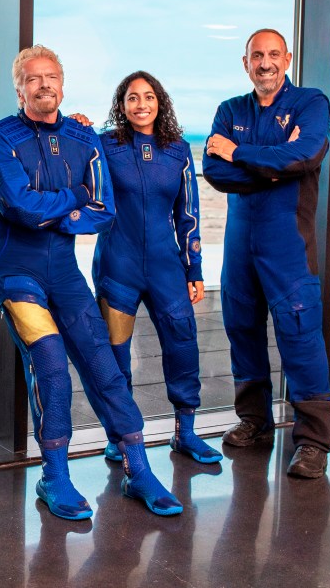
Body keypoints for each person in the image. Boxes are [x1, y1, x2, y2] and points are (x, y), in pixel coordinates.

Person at [0, 45, 182, 519]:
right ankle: (54, 476)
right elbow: (19, 206)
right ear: (20, 88)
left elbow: (104, 208)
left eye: (51, 76)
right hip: (16, 275)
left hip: (65, 275)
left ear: (62, 83)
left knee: (105, 367)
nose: (44, 84)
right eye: (33, 78)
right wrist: (72, 198)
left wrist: (54, 211)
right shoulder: (0, 138)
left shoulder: (83, 137)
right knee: (51, 366)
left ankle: (139, 469)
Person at [203, 28, 330, 478]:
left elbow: (305, 155)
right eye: (257, 55)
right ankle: (255, 421)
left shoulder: (310, 103)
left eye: (273, 54)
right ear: (245, 63)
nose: (265, 62)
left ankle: (314, 441)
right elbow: (215, 172)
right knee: (241, 327)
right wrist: (274, 165)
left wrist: (239, 151)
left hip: (288, 245)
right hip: (241, 245)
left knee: (299, 333)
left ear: (288, 58)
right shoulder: (230, 109)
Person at [93, 71, 222, 465]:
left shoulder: (178, 151)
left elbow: (189, 214)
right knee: (116, 355)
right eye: (133, 98)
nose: (141, 104)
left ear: (160, 102)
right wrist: (77, 122)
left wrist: (194, 268)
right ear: (122, 105)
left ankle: (185, 432)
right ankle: (120, 434)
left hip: (168, 268)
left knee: (183, 346)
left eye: (148, 97)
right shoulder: (105, 145)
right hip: (118, 265)